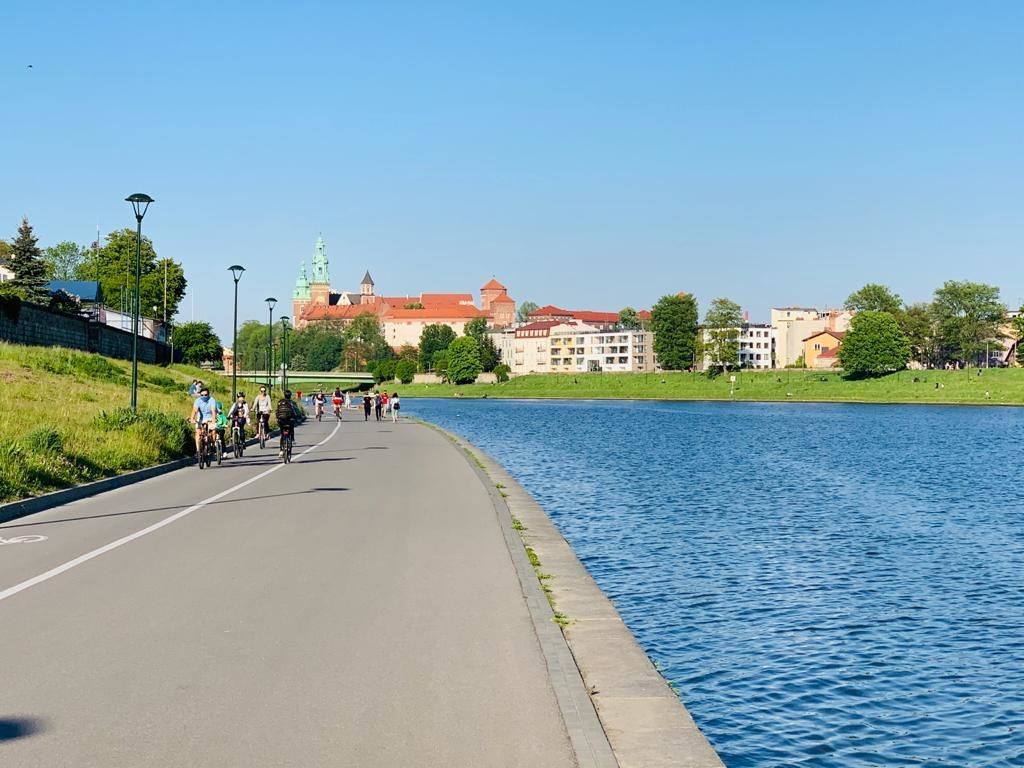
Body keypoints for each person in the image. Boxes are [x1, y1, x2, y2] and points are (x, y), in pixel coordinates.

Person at [190, 385, 218, 461]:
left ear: (208, 395)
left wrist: (213, 420)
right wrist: (192, 418)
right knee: (198, 433)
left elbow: (213, 411)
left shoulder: (212, 400)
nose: (204, 396)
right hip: (201, 418)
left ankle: (213, 445)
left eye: (205, 395)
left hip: (210, 417)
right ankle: (198, 450)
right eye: (202, 395)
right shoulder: (198, 401)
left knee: (213, 431)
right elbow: (194, 411)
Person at [275, 390, 297, 456]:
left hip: (281, 420)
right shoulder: (291, 402)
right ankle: (292, 439)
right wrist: (297, 417)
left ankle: (281, 450)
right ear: (290, 396)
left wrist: (277, 418)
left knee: (282, 434)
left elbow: (277, 411)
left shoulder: (280, 402)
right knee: (291, 427)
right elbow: (295, 411)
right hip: (289, 419)